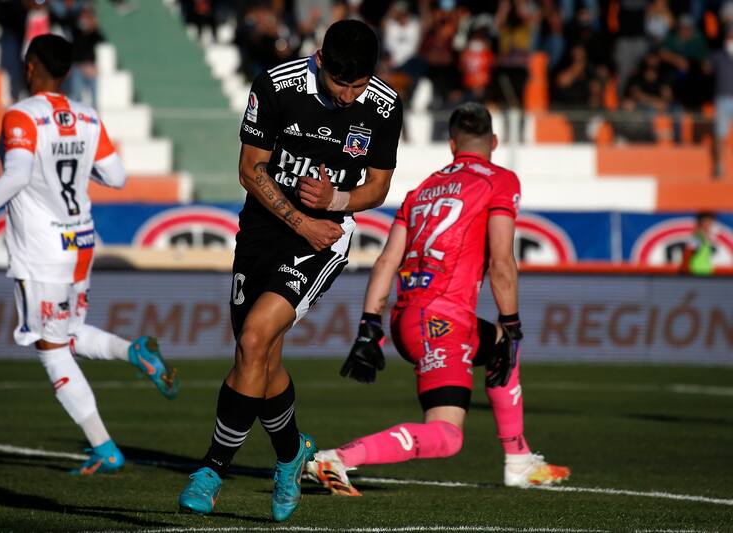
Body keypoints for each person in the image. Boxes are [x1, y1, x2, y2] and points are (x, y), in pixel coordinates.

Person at [177, 19, 403, 521]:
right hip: (264, 230)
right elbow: (249, 168)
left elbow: (379, 186)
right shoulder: (277, 85)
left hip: (324, 239)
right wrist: (300, 218)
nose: (348, 95)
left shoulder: (385, 105)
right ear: (320, 60)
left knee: (254, 340)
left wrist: (336, 200)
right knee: (261, 360)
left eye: (358, 84)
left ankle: (212, 470)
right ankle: (291, 454)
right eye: (340, 83)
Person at [304, 103, 570, 496]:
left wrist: (369, 324)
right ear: (493, 141)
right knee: (447, 436)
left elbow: (386, 262)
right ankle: (337, 458)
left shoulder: (421, 191)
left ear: (451, 145)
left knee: (500, 347)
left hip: (408, 317)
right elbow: (500, 262)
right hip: (442, 321)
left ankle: (519, 460)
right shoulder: (499, 180)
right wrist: (512, 319)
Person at [0, 34, 179, 475]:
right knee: (68, 332)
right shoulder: (88, 116)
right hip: (81, 242)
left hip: (42, 249)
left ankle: (104, 446)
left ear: (30, 67)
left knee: (52, 349)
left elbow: (15, 177)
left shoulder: (21, 115)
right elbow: (116, 175)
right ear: (68, 73)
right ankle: (135, 352)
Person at [680, 211, 717, 276]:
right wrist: (685, 269)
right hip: (696, 271)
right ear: (701, 223)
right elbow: (688, 252)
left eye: (710, 222)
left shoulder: (706, 238)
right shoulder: (697, 237)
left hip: (705, 271)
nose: (709, 224)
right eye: (707, 222)